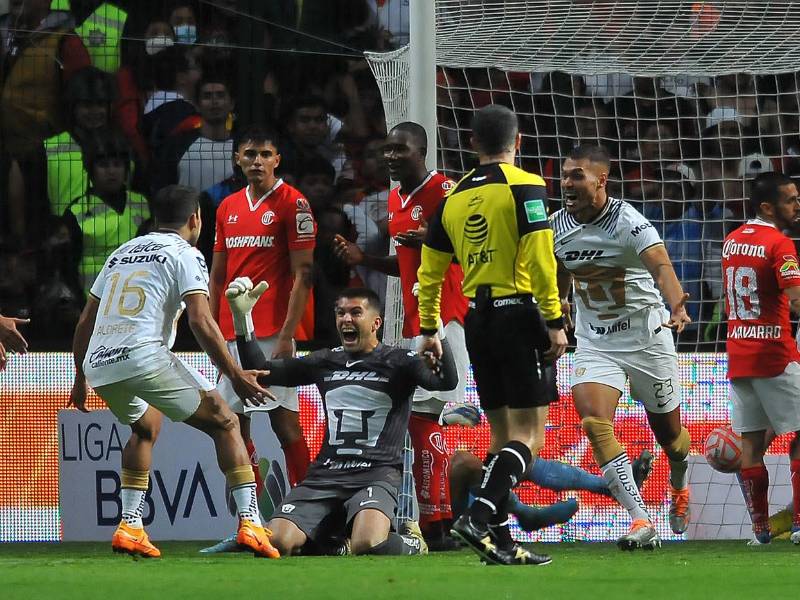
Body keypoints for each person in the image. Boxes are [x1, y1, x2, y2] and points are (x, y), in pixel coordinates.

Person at [67, 185, 278, 558]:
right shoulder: (186, 254)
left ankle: (130, 525)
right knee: (226, 422)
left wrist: (80, 377)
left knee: (145, 426)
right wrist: (234, 374)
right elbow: (200, 318)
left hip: (100, 364)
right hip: (143, 355)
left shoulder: (122, 252)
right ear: (195, 218)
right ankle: (251, 523)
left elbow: (86, 319)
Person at [417, 104, 568, 566]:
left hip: (477, 320)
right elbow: (543, 260)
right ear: (517, 141)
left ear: (471, 145)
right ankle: (479, 515)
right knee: (530, 436)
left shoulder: (453, 198)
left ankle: (500, 541)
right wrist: (555, 319)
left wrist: (428, 328)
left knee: (503, 439)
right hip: (518, 313)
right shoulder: (526, 186)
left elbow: (430, 272)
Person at [226, 278, 458, 556]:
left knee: (367, 544)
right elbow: (262, 370)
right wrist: (242, 319)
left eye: (356, 313)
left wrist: (437, 328)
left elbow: (445, 381)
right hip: (325, 476)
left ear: (376, 323)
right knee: (276, 543)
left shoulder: (400, 361)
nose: (346, 319)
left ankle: (413, 541)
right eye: (340, 313)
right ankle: (332, 538)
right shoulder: (325, 360)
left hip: (376, 475)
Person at [333, 121, 469, 550]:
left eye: (400, 150)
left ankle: (442, 521)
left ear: (422, 151)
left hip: (446, 318)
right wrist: (366, 257)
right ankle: (442, 519)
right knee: (423, 419)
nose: (391, 156)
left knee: (427, 417)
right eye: (387, 149)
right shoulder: (396, 197)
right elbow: (407, 261)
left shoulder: (445, 192)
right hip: (416, 321)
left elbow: (473, 245)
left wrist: (436, 238)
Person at [552, 144, 692, 551]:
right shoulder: (557, 225)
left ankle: (679, 482)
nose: (566, 183)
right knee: (595, 423)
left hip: (647, 338)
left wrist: (677, 302)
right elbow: (562, 267)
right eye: (564, 175)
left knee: (671, 438)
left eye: (577, 175)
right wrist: (560, 305)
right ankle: (640, 518)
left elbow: (661, 265)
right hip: (596, 343)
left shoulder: (628, 221)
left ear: (601, 180)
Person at [209, 125, 315, 496]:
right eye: (250, 154)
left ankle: (305, 513)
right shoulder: (227, 206)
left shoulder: (293, 203)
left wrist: (288, 335)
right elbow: (218, 275)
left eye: (265, 154)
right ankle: (250, 518)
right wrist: (211, 326)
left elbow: (304, 273)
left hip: (273, 331)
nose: (257, 161)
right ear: (237, 158)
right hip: (231, 332)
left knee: (284, 423)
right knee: (232, 424)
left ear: (277, 160)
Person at [722, 172, 800, 545]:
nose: (797, 206)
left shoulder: (731, 242)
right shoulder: (780, 244)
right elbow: (797, 300)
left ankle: (760, 531)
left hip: (739, 354)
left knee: (751, 444)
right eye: (791, 200)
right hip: (775, 355)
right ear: (768, 207)